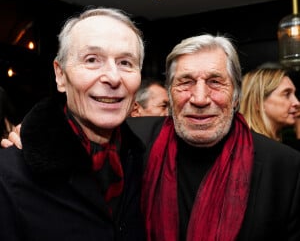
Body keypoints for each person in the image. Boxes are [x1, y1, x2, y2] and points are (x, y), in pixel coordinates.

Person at [4, 34, 300, 240]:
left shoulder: (285, 167)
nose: (199, 97)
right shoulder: (134, 139)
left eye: (215, 82)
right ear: (170, 93)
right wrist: (29, 136)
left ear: (236, 95)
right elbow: (73, 132)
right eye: (185, 82)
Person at [0, 7, 146, 240]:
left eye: (126, 63)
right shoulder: (10, 174)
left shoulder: (144, 160)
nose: (113, 77)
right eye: (92, 60)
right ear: (60, 76)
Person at [239, 68, 300, 141]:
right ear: (258, 103)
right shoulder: (251, 147)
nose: (297, 102)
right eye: (287, 94)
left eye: (294, 94)